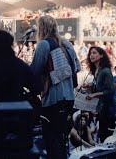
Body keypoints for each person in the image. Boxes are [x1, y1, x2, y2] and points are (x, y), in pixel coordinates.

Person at [30, 15, 80, 159]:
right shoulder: (66, 44)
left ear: (41, 28)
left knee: (51, 140)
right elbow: (76, 68)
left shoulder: (44, 44)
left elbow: (35, 70)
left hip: (53, 98)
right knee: (62, 139)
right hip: (69, 98)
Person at [0, 30, 39, 103]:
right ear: (10, 45)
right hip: (16, 111)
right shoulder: (19, 65)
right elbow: (36, 88)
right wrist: (22, 99)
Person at [85, 46, 116, 143]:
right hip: (101, 108)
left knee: (106, 136)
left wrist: (94, 95)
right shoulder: (96, 71)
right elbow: (100, 87)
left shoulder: (106, 71)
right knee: (102, 134)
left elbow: (110, 91)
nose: (91, 55)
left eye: (94, 53)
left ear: (101, 55)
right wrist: (90, 86)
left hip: (108, 109)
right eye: (90, 53)